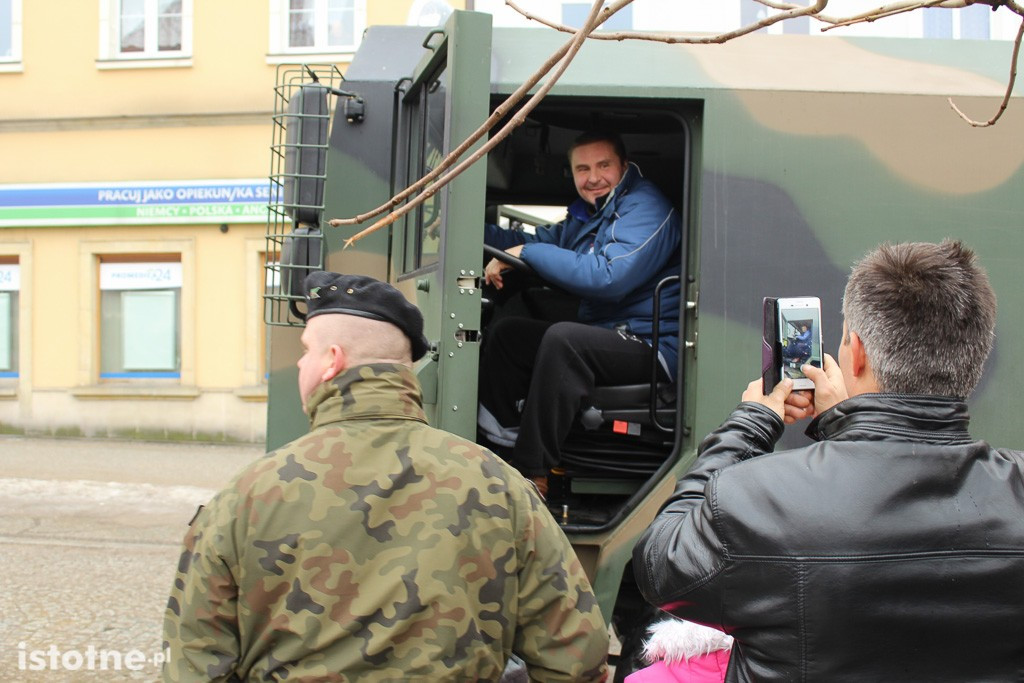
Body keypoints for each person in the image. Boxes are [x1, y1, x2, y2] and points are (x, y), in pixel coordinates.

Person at [162, 272, 609, 682]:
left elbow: (194, 666)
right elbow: (577, 657)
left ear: (332, 361)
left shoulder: (246, 497)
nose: (299, 364)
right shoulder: (500, 486)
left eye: (305, 351)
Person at [632, 240, 1024, 681]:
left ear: (856, 352)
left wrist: (750, 424)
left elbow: (660, 564)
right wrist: (847, 427)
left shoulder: (761, 497)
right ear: (974, 357)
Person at [478, 130, 681, 495]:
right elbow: (535, 242)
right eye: (582, 169)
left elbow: (609, 277)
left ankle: (531, 475)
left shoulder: (645, 206)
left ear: (624, 166)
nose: (593, 177)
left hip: (653, 345)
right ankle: (499, 448)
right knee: (510, 335)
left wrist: (527, 254)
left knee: (565, 340)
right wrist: (464, 229)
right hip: (612, 332)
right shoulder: (588, 215)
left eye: (603, 165)